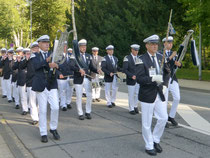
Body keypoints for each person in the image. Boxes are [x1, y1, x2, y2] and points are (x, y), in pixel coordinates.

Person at [136, 35, 170, 156]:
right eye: (152, 44)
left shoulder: (161, 57)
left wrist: (165, 85)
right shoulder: (141, 59)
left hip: (159, 93)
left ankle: (155, 139)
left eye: (156, 44)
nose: (155, 46)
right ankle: (149, 145)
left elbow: (167, 72)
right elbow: (139, 78)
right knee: (147, 122)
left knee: (163, 118)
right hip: (147, 94)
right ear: (147, 46)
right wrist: (153, 78)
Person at [32, 35, 61, 143]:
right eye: (44, 42)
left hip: (52, 84)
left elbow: (59, 66)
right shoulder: (34, 55)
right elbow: (36, 67)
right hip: (41, 85)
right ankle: (43, 132)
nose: (47, 44)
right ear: (39, 44)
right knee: (43, 110)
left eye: (48, 42)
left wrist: (57, 66)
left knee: (55, 107)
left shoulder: (52, 54)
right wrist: (47, 62)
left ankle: (53, 128)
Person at [73, 39, 99, 120]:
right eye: (82, 47)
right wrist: (78, 70)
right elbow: (71, 66)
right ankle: (80, 113)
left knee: (89, 95)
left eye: (85, 46)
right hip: (78, 79)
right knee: (79, 96)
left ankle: (88, 112)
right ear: (79, 47)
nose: (84, 48)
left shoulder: (88, 56)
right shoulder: (75, 56)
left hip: (87, 78)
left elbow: (91, 66)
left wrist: (97, 70)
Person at [162, 36, 182, 127]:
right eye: (168, 43)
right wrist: (171, 57)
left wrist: (179, 64)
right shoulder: (160, 53)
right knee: (164, 100)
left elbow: (178, 64)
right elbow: (163, 63)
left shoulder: (175, 54)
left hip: (173, 78)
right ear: (164, 44)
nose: (170, 44)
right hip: (164, 78)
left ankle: (171, 116)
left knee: (177, 97)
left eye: (171, 43)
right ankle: (164, 118)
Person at [20, 47, 39, 125]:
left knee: (39, 101)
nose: (35, 50)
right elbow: (21, 66)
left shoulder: (40, 57)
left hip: (39, 82)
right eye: (33, 48)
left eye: (36, 48)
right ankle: (35, 118)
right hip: (30, 82)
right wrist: (26, 59)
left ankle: (38, 114)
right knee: (32, 101)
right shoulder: (28, 58)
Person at [123, 44, 140, 115]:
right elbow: (125, 70)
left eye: (137, 50)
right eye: (135, 50)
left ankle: (135, 106)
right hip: (131, 79)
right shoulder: (127, 58)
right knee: (131, 94)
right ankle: (131, 108)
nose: (137, 52)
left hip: (138, 79)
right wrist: (131, 76)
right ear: (132, 50)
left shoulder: (139, 58)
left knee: (137, 94)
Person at [57, 41, 74, 111]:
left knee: (70, 90)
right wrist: (59, 73)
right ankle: (63, 104)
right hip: (62, 76)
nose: (65, 47)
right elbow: (55, 67)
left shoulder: (70, 55)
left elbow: (73, 65)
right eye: (64, 46)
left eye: (66, 46)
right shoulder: (58, 55)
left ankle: (68, 102)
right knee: (62, 91)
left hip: (70, 76)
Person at [13, 47, 28, 115]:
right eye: (18, 52)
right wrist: (17, 61)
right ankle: (25, 109)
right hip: (22, 79)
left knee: (31, 96)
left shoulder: (31, 59)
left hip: (30, 79)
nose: (20, 53)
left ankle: (30, 107)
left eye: (21, 52)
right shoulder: (19, 60)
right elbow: (14, 67)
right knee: (23, 96)